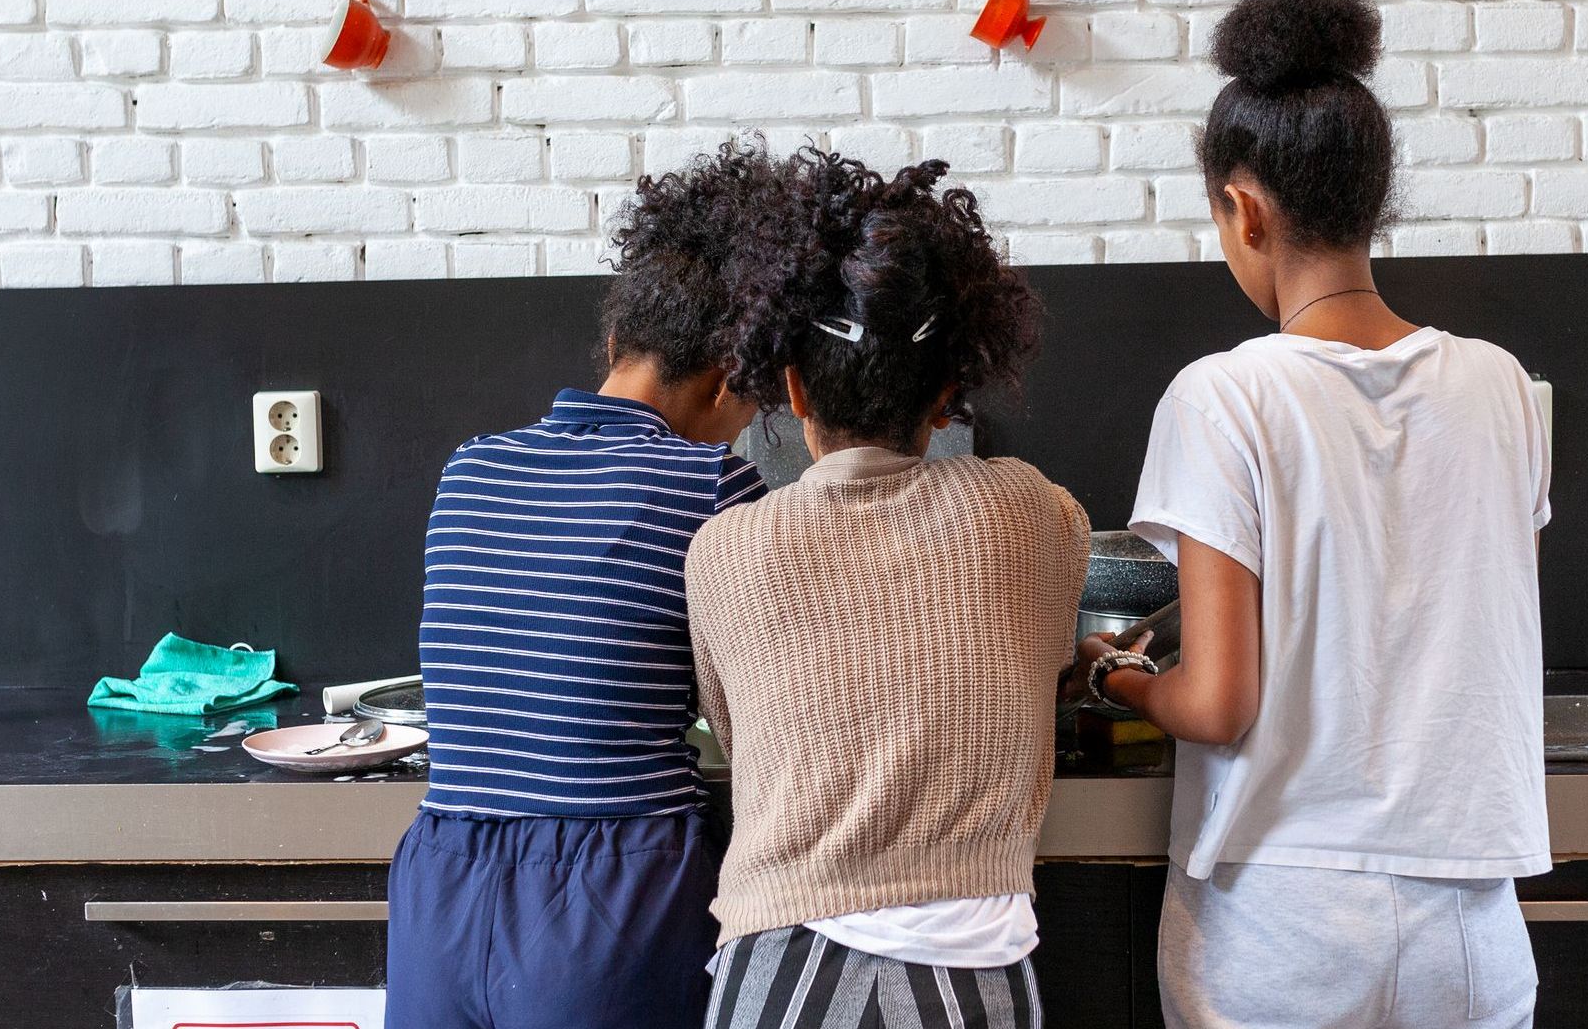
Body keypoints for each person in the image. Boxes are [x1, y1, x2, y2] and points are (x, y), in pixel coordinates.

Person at [1073, 0, 1553, 1029]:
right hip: (1471, 923)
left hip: (1282, 921)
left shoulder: (1222, 395)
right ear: (1373, 198)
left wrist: (1118, 677)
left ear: (1243, 209)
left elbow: (1219, 704)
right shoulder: (1503, 386)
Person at [686, 148, 1088, 1029]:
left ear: (792, 389)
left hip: (776, 966)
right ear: (949, 395)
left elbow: (738, 733)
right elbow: (1047, 653)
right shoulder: (1031, 510)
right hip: (974, 976)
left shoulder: (723, 550)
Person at [385, 142, 773, 1029]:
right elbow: (769, 717)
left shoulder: (471, 468)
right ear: (730, 379)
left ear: (615, 341)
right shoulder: (714, 487)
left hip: (441, 885)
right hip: (611, 898)